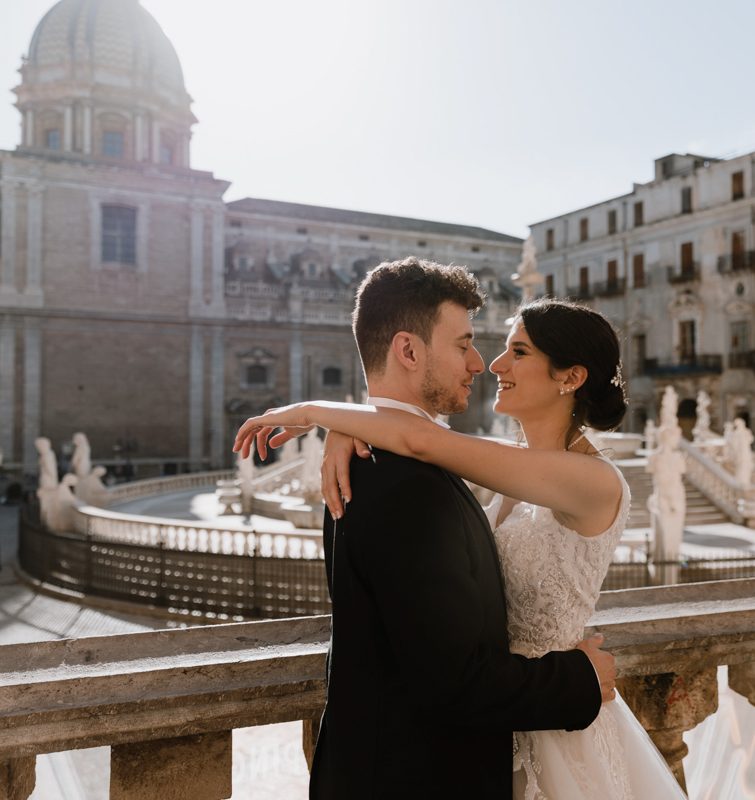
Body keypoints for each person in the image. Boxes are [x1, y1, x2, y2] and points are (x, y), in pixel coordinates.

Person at [235, 260, 685, 799]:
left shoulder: (592, 481)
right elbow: (417, 441)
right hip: (500, 721)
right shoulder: (498, 470)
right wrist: (347, 427)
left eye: (517, 352)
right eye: (478, 345)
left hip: (546, 727)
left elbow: (424, 442)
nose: (491, 362)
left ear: (571, 376)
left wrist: (320, 414)